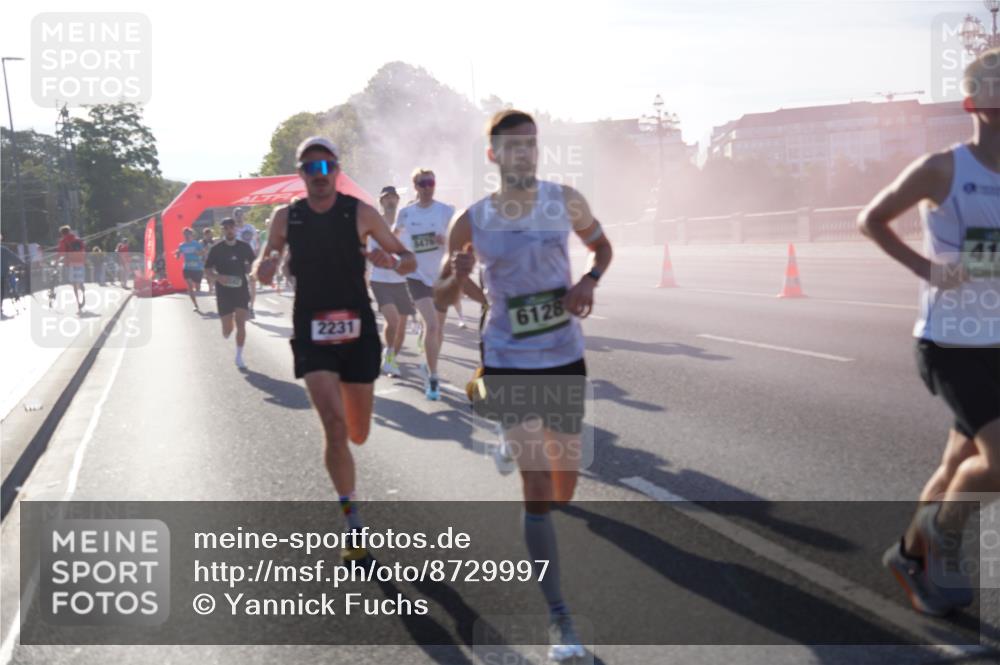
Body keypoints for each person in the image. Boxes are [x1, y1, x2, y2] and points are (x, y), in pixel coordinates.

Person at [434, 110, 613, 662]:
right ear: (493, 155)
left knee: (564, 487)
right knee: (537, 488)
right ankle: (560, 620)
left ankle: (508, 438)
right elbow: (441, 299)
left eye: (530, 144)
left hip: (562, 356)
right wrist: (454, 273)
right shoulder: (472, 219)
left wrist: (588, 280)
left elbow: (602, 249)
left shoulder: (567, 200)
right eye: (511, 146)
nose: (523, 153)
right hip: (509, 357)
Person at [858, 48, 1000, 616]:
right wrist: (929, 269)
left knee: (954, 467)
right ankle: (947, 531)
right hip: (952, 342)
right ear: (977, 102)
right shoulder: (944, 168)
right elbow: (870, 219)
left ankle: (909, 558)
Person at [254, 137, 415, 561]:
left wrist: (391, 262)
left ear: (337, 170)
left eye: (326, 167)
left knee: (358, 432)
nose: (319, 176)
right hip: (312, 329)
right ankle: (353, 524)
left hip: (358, 329)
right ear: (301, 174)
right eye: (311, 169)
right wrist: (265, 267)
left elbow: (408, 260)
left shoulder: (359, 212)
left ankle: (356, 423)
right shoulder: (285, 217)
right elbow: (263, 262)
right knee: (334, 425)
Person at [397, 168, 455, 400]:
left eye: (431, 182)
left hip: (441, 277)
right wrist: (399, 255)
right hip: (416, 277)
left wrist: (446, 241)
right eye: (422, 183)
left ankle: (429, 360)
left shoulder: (445, 211)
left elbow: (460, 239)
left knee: (437, 329)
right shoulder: (406, 213)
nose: (427, 187)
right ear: (415, 187)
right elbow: (392, 237)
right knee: (432, 326)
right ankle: (433, 377)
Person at [368, 185, 415, 376]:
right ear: (381, 201)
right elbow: (373, 252)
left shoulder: (406, 224)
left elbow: (413, 252)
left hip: (403, 282)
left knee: (401, 328)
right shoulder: (374, 223)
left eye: (393, 197)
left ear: (398, 200)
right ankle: (388, 356)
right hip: (380, 280)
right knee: (393, 320)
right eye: (386, 198)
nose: (390, 200)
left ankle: (390, 358)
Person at [204, 217, 256, 369]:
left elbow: (254, 263)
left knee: (241, 324)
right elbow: (207, 269)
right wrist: (217, 277)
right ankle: (228, 326)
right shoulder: (216, 249)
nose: (229, 230)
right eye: (226, 228)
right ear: (223, 230)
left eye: (231, 227)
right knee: (228, 329)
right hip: (224, 291)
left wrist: (255, 272)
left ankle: (239, 356)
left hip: (240, 289)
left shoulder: (244, 247)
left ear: (236, 229)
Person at [234, 208, 260, 318]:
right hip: (238, 261)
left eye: (241, 214)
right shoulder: (232, 230)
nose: (239, 216)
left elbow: (257, 242)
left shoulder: (251, 228)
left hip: (251, 260)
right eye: (237, 215)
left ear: (244, 216)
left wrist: (258, 257)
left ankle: (252, 308)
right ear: (234, 217)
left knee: (252, 285)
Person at [175, 227, 206, 312]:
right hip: (187, 268)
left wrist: (198, 253)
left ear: (192, 235)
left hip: (197, 268)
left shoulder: (196, 244)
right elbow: (178, 256)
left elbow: (203, 252)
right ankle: (195, 305)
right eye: (185, 234)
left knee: (197, 287)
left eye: (188, 234)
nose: (187, 236)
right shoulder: (181, 245)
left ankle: (197, 290)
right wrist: (177, 254)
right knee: (189, 287)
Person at [57, 226, 87, 314]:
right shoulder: (77, 239)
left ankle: (78, 302)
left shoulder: (63, 241)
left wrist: (56, 262)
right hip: (80, 263)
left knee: (74, 284)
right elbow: (83, 250)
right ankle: (84, 296)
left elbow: (61, 253)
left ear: (62, 233)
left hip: (71, 264)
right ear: (69, 231)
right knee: (80, 282)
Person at [201, 228, 217, 294]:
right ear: (204, 235)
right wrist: (205, 249)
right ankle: (210, 288)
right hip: (206, 260)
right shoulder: (202, 242)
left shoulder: (214, 241)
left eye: (210, 234)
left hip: (215, 260)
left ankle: (213, 287)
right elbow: (201, 251)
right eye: (207, 234)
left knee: (214, 273)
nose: (209, 236)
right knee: (208, 275)